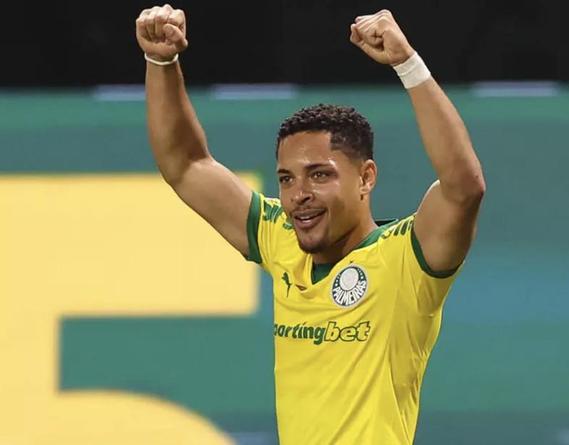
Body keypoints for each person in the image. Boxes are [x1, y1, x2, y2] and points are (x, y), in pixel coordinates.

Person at [136, 4, 485, 444]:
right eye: (286, 179)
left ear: (366, 178)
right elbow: (185, 165)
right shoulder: (280, 239)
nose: (298, 194)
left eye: (319, 175)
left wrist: (408, 64)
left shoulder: (407, 262)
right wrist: (161, 62)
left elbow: (463, 187)